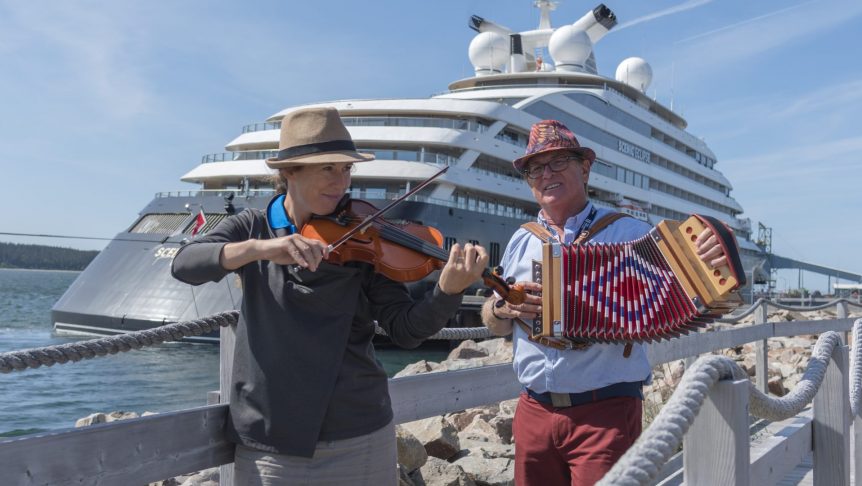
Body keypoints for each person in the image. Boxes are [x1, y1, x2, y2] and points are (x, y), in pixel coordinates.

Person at [172, 106, 489, 485]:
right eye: (327, 168)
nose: (341, 182)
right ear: (289, 171)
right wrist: (260, 250)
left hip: (358, 436)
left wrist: (448, 290)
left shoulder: (364, 236)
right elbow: (185, 263)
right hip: (271, 443)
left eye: (346, 168)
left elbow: (406, 330)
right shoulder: (253, 227)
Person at [481, 119, 729, 486]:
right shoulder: (521, 239)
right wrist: (503, 308)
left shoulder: (629, 234)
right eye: (535, 168)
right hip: (533, 411)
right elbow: (492, 318)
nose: (545, 174)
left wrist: (717, 255)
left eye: (558, 162)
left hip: (606, 413)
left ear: (585, 168)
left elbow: (696, 287)